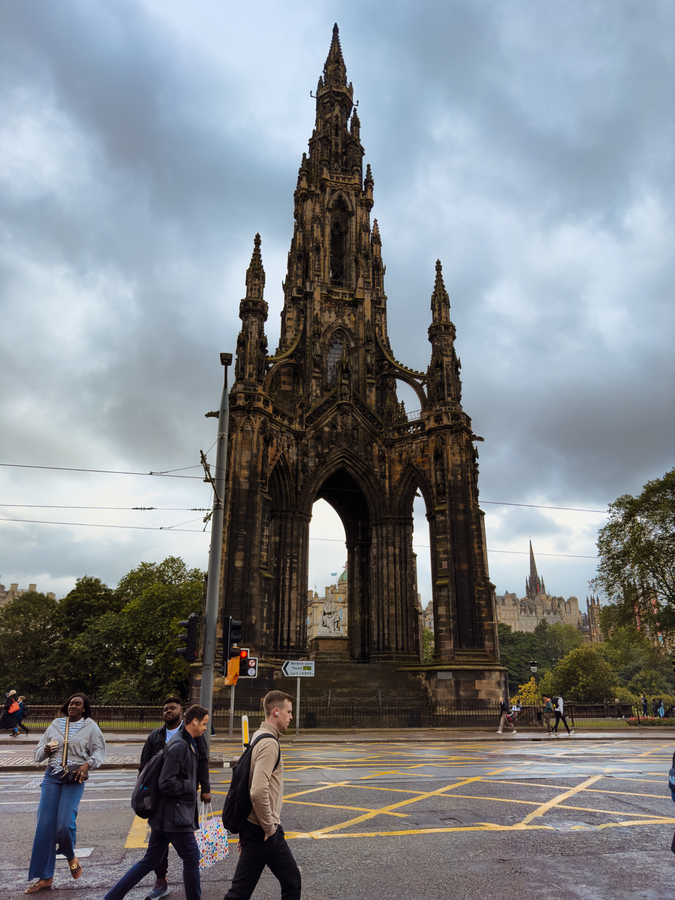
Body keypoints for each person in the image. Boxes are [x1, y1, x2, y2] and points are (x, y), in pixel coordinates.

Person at [105, 704, 210, 900]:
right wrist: (189, 787)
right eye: (204, 724)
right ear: (194, 721)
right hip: (174, 817)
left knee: (150, 861)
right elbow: (166, 782)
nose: (205, 728)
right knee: (191, 858)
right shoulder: (180, 745)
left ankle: (111, 897)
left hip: (164, 817)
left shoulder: (187, 741)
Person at [25, 693, 106, 893]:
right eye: (71, 703)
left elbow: (99, 752)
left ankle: (70, 855)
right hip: (52, 776)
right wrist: (45, 749)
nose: (73, 706)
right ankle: (45, 877)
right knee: (44, 826)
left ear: (84, 709)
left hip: (74, 777)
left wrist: (87, 765)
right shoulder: (56, 724)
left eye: (78, 704)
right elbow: (37, 755)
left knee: (64, 824)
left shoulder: (91, 727)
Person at [224, 690, 301, 900]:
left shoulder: (258, 736)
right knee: (291, 883)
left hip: (254, 829)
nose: (291, 717)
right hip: (263, 831)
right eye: (289, 711)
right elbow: (257, 790)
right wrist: (269, 828)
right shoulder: (269, 743)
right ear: (276, 712)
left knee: (241, 892)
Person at [138, 696, 212, 900]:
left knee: (170, 849)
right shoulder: (156, 736)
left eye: (173, 708)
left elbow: (203, 762)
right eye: (165, 709)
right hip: (161, 799)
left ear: (182, 712)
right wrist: (143, 794)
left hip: (180, 799)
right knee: (162, 849)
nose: (168, 711)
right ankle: (161, 881)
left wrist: (205, 788)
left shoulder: (194, 734)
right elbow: (145, 767)